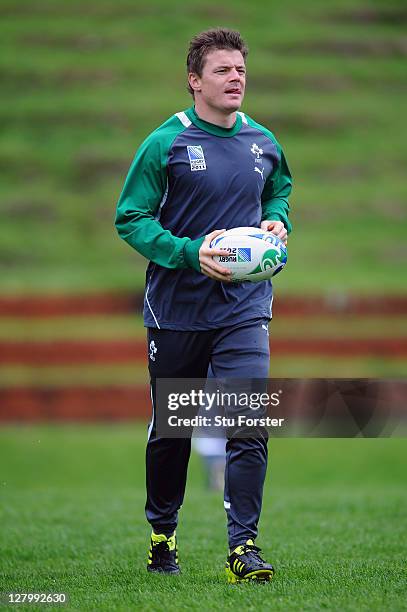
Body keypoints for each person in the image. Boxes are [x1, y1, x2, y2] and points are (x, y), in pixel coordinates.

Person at [115, 27, 292, 583]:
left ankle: (245, 549)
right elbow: (131, 218)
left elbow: (279, 190)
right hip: (177, 312)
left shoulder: (263, 141)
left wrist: (277, 221)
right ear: (194, 80)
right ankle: (161, 535)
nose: (235, 78)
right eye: (222, 70)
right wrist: (191, 253)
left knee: (247, 423)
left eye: (240, 69)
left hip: (244, 308)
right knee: (175, 431)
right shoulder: (164, 144)